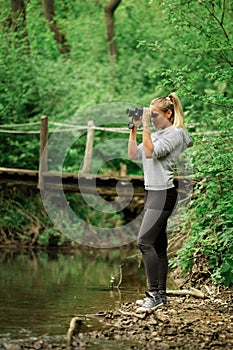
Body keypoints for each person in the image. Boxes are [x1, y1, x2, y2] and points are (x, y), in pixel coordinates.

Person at [128, 93, 193, 312]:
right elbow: (133, 154)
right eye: (150, 114)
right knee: (158, 246)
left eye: (155, 115)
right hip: (151, 192)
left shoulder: (174, 134)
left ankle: (153, 294)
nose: (152, 118)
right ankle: (161, 296)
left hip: (163, 194)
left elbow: (150, 152)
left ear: (169, 113)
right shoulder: (155, 135)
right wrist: (134, 129)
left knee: (144, 242)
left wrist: (145, 125)